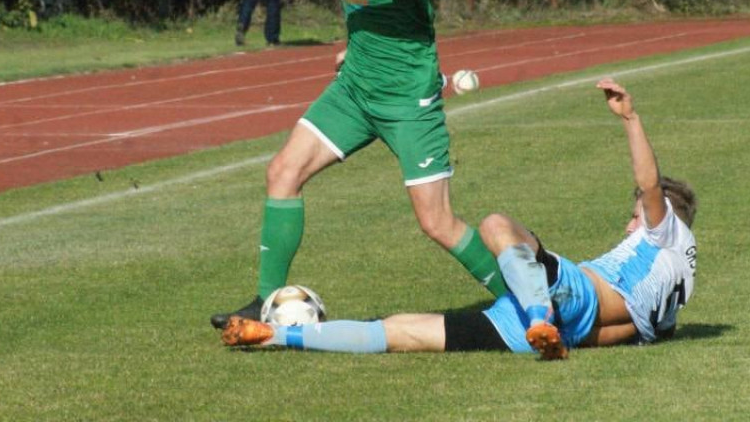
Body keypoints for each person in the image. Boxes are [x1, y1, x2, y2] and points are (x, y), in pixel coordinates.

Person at [211, 0, 506, 329]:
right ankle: (267, 303)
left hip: (407, 102)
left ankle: (522, 300)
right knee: (282, 172)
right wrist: (356, 45)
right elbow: (375, 11)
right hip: (353, 93)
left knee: (436, 222)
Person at [221, 78, 698, 360]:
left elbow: (650, 184)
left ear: (665, 216)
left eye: (635, 217)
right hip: (568, 328)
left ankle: (538, 314)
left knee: (496, 225)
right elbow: (626, 331)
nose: (631, 225)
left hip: (569, 299)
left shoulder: (667, 232)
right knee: (402, 331)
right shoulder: (672, 295)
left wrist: (631, 119)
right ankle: (276, 334)